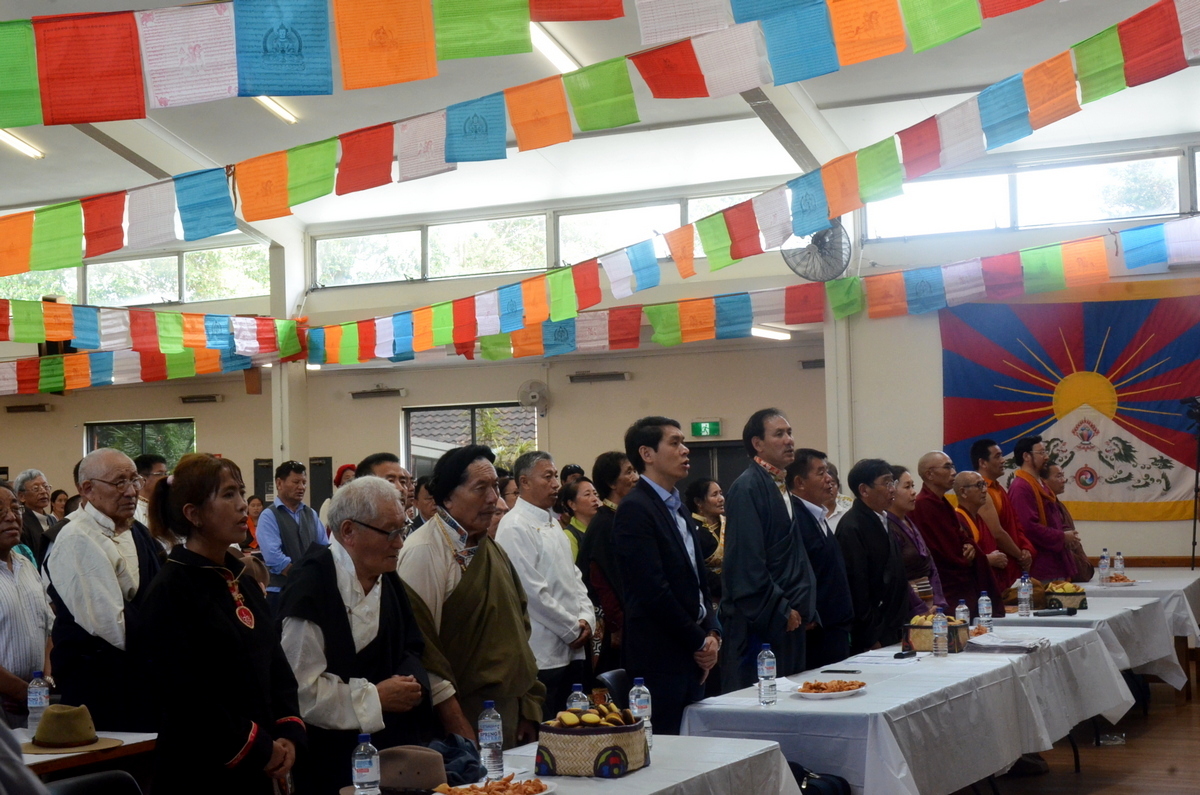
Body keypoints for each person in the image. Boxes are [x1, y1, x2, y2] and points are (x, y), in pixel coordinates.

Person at [142, 454, 304, 795]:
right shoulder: (171, 589)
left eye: (242, 493)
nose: (243, 505)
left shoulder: (239, 575)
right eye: (229, 495)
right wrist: (260, 746)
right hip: (202, 769)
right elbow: (188, 697)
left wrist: (287, 732)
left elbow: (275, 661)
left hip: (262, 758)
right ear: (194, 514)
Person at [279, 477, 436, 795]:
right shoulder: (310, 588)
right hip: (327, 759)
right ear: (348, 531)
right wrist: (375, 697)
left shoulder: (386, 578)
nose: (400, 543)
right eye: (390, 532)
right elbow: (301, 690)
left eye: (402, 530)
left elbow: (411, 644)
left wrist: (409, 683)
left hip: (389, 753)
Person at [397, 445, 544, 748]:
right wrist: (457, 724)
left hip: (511, 712)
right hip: (463, 715)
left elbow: (520, 630)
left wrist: (528, 706)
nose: (494, 499)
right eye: (481, 488)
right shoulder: (423, 551)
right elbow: (423, 649)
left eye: (495, 487)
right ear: (448, 497)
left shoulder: (491, 549)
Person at [614, 417, 720, 735]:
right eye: (675, 443)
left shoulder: (679, 507)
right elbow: (652, 591)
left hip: (695, 652)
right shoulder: (635, 509)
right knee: (667, 750)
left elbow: (698, 579)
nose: (685, 450)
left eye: (683, 442)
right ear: (646, 453)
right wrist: (699, 640)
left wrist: (713, 631)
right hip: (661, 657)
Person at [43, 448, 162, 730]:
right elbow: (114, 627)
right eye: (120, 482)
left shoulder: (138, 531)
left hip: (144, 684)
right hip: (100, 692)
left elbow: (163, 594)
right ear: (87, 489)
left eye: (135, 480)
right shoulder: (75, 538)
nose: (131, 491)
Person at [721, 409, 817, 690]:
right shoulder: (747, 487)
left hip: (790, 617)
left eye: (790, 432)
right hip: (762, 620)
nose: (789, 440)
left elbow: (794, 555)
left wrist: (805, 605)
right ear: (757, 443)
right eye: (779, 434)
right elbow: (746, 563)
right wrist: (781, 608)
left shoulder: (779, 485)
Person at [496, 452, 593, 719]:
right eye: (548, 477)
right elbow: (531, 592)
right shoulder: (514, 526)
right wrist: (572, 629)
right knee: (548, 732)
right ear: (524, 482)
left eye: (555, 476)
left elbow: (575, 578)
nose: (556, 484)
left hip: (572, 646)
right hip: (543, 652)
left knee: (574, 730)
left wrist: (586, 618)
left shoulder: (552, 523)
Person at [910, 452, 1002, 620]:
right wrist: (963, 557)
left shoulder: (943, 503)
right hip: (946, 588)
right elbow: (936, 551)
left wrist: (968, 545)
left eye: (953, 466)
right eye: (947, 467)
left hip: (961, 584)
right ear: (929, 474)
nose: (953, 472)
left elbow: (961, 534)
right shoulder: (922, 506)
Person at [835, 459, 911, 653]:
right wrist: (870, 637)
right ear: (864, 490)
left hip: (894, 626)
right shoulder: (852, 526)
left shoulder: (883, 518)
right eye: (886, 483)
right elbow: (857, 586)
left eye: (893, 482)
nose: (892, 489)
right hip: (873, 635)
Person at [786, 451, 854, 668]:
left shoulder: (816, 514)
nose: (829, 479)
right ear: (799, 482)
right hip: (815, 630)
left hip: (834, 626)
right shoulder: (793, 517)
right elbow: (792, 570)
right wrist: (804, 610)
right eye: (821, 473)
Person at [576, 451, 639, 676]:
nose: (636, 477)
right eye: (629, 472)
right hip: (610, 626)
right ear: (611, 482)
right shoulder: (604, 523)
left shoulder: (622, 516)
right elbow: (600, 579)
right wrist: (618, 624)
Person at [0, 481, 54, 729]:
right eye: (0, 512)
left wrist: (44, 680)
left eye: (15, 509)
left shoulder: (27, 565)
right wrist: (21, 691)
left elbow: (47, 629)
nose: (11, 517)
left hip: (35, 701)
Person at [257, 460, 328, 612]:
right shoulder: (269, 516)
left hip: (309, 591)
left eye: (304, 482)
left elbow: (324, 548)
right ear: (279, 483)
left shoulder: (311, 514)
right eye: (296, 482)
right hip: (281, 592)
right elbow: (273, 557)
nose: (301, 487)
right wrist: (301, 576)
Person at [1009, 436, 1077, 582]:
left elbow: (1053, 517)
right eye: (1041, 453)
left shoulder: (1040, 484)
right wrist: (1062, 537)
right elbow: (1028, 527)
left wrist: (1067, 533)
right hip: (1040, 566)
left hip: (1055, 562)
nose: (1046, 457)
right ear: (1026, 456)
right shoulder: (1021, 487)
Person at [970, 439, 1034, 591]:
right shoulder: (982, 492)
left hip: (1011, 561)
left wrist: (1026, 549)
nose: (1003, 460)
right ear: (983, 463)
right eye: (997, 456)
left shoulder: (998, 489)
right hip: (999, 564)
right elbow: (996, 532)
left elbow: (1016, 525)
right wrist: (1020, 555)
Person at [886, 465, 947, 614]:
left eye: (913, 486)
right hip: (908, 606)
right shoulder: (887, 527)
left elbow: (931, 565)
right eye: (907, 487)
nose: (914, 492)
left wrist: (937, 602)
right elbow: (897, 575)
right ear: (891, 491)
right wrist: (919, 608)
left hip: (930, 603)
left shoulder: (909, 523)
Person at [951, 472, 1010, 617]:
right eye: (979, 485)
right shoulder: (957, 520)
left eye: (984, 484)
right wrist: (988, 560)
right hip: (970, 594)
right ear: (963, 492)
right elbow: (959, 559)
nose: (984, 490)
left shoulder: (977, 517)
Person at [1045, 463, 1094, 582]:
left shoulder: (1058, 505)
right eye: (1059, 476)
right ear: (1042, 481)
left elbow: (1074, 542)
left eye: (1063, 476)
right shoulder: (1045, 505)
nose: (1064, 480)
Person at [684, 478, 725, 607]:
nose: (721, 498)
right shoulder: (689, 528)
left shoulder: (729, 523)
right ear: (698, 502)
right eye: (714, 495)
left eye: (721, 493)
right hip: (706, 595)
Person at [557, 477, 601, 561]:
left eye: (595, 494)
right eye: (587, 494)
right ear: (572, 504)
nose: (595, 499)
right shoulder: (569, 535)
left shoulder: (602, 527)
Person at [14, 469, 51, 568]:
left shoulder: (52, 520)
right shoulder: (21, 523)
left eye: (46, 486)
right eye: (36, 488)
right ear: (21, 496)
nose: (43, 491)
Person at [132, 454, 168, 528]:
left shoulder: (165, 505)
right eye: (160, 474)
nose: (166, 479)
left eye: (166, 474)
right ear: (142, 478)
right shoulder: (133, 509)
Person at [823, 463, 852, 530]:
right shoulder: (811, 514)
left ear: (838, 487)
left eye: (832, 484)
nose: (829, 487)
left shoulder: (847, 514)